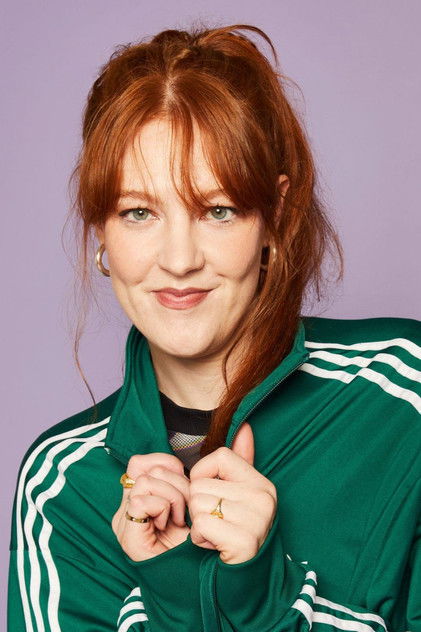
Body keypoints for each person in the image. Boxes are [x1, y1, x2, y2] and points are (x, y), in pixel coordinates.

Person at [7, 22, 420, 632]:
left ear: (274, 216)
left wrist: (259, 602)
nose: (179, 260)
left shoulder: (404, 397)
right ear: (102, 231)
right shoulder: (63, 489)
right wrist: (177, 587)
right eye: (139, 212)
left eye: (217, 210)